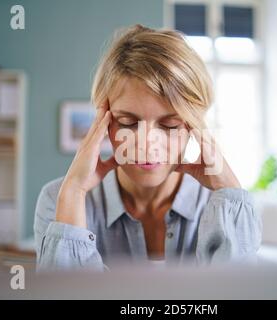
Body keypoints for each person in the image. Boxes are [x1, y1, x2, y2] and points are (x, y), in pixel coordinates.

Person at [34, 24, 261, 271]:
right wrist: (74, 191)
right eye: (127, 122)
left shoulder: (224, 206)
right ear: (104, 121)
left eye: (170, 124)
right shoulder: (60, 200)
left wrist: (231, 193)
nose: (146, 143)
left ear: (196, 125)